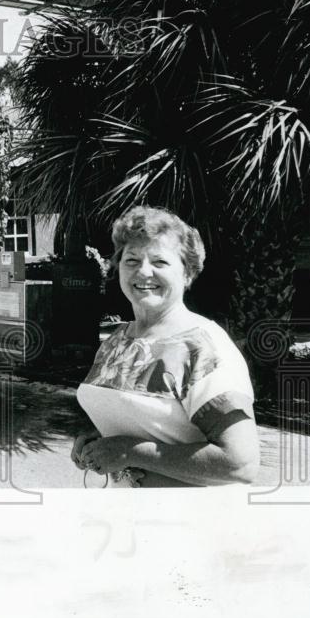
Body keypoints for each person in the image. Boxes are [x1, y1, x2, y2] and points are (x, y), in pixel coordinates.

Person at [72, 206, 260, 487]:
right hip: (128, 514)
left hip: (186, 521)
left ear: (187, 273)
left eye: (159, 262)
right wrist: (98, 439)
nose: (143, 271)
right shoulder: (118, 340)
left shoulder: (202, 347)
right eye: (132, 260)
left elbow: (239, 464)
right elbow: (150, 421)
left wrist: (129, 451)